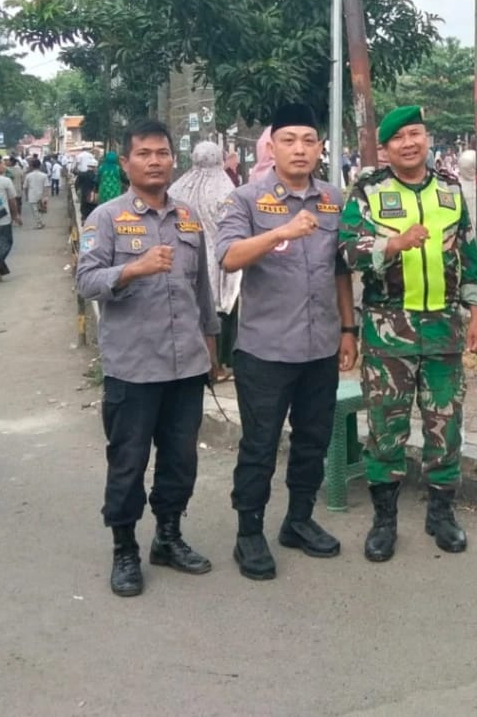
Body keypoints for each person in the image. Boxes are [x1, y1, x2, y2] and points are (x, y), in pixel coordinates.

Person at [75, 119, 221, 597]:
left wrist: (211, 349)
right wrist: (132, 269)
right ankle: (124, 549)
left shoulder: (188, 219)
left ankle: (169, 536)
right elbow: (85, 280)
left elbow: (202, 290)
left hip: (185, 366)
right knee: (128, 462)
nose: (154, 161)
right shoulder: (106, 218)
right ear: (127, 162)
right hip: (133, 369)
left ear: (172, 159)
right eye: (144, 154)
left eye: (162, 153)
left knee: (180, 462)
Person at [340, 105, 477, 562]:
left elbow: (467, 251)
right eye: (398, 137)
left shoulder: (448, 189)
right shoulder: (368, 191)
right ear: (384, 149)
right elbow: (345, 251)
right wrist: (393, 245)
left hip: (444, 327)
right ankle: (385, 520)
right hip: (389, 331)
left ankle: (441, 514)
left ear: (427, 139)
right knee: (387, 427)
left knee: (445, 424)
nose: (409, 143)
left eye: (416, 134)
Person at [215, 104, 356, 579]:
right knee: (259, 444)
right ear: (271, 147)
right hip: (265, 351)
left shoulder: (334, 199)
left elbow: (340, 269)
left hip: (320, 348)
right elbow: (230, 257)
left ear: (320, 147)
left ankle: (298, 520)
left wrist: (348, 329)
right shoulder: (246, 199)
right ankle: (248, 533)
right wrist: (283, 231)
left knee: (313, 441)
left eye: (309, 140)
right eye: (289, 140)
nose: (300, 149)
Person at [170, 141, 239, 383]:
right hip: (220, 257)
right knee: (221, 305)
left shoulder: (177, 188)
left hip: (187, 255)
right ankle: (218, 364)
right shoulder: (225, 188)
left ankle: (198, 364)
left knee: (194, 305)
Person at [23, 157, 50, 229]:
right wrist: (46, 196)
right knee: (41, 210)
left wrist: (26, 196)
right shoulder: (44, 175)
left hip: (32, 195)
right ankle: (40, 222)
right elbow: (46, 186)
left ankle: (39, 223)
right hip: (41, 195)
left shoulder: (28, 176)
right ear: (40, 165)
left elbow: (25, 187)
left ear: (32, 166)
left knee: (35, 210)